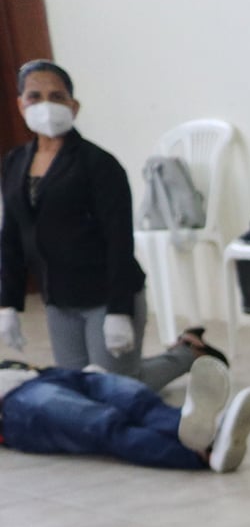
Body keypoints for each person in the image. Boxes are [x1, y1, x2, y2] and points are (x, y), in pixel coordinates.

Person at [0, 60, 219, 389]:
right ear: (21, 104)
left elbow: (119, 241)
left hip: (106, 293)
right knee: (77, 388)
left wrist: (119, 310)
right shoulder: (15, 163)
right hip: (59, 299)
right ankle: (179, 351)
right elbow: (11, 235)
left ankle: (189, 354)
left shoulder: (99, 164)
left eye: (56, 96)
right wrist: (8, 303)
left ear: (73, 106)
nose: (45, 105)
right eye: (35, 96)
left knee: (116, 387)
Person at [0, 352, 250, 472]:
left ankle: (211, 433)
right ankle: (201, 455)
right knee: (106, 424)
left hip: (39, 374)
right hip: (13, 405)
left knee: (136, 399)